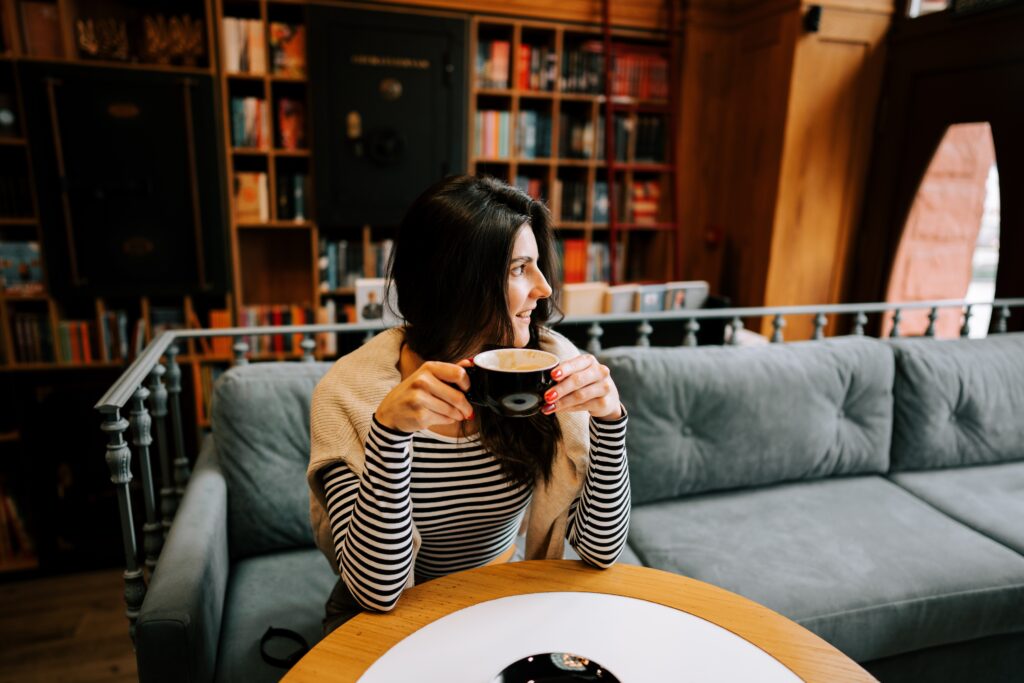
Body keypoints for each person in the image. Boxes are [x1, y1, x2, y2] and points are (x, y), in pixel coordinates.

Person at [307, 175, 630, 633]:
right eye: (520, 269)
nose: (544, 289)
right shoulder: (349, 396)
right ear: (456, 283)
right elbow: (377, 592)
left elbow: (601, 551)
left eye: (538, 267)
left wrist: (610, 424)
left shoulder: (551, 366)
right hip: (392, 617)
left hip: (497, 598)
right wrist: (388, 437)